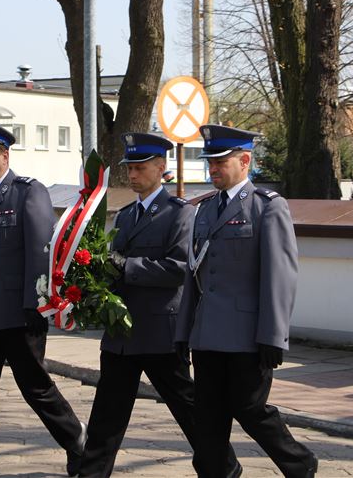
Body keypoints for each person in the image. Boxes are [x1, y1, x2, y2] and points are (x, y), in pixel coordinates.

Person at [77, 133, 240, 478]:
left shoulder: (179, 213)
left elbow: (179, 269)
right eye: (129, 168)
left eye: (140, 168)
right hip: (121, 334)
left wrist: (127, 266)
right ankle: (92, 473)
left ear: (160, 167)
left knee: (188, 408)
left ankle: (224, 467)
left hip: (160, 331)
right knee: (107, 412)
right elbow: (113, 265)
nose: (132, 174)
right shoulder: (125, 216)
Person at [175, 124, 319, 478]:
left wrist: (273, 335)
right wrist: (183, 331)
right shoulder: (205, 209)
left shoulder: (267, 207)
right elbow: (194, 276)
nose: (213, 168)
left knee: (250, 409)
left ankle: (300, 463)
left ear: (244, 161)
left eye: (220, 162)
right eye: (210, 162)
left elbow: (280, 276)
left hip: (246, 336)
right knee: (207, 418)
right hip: (207, 335)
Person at [0, 120, 86, 478]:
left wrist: (36, 305)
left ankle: (78, 442)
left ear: (4, 156)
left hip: (18, 314)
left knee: (36, 388)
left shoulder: (27, 192)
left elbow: (40, 252)